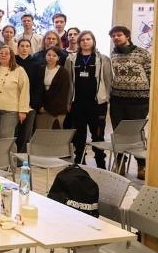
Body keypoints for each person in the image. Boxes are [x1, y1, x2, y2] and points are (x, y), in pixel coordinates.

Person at [108, 25, 151, 179]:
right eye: (113, 36)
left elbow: (151, 74)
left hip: (139, 100)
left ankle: (141, 165)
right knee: (119, 132)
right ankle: (120, 163)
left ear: (127, 36)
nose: (116, 38)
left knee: (136, 133)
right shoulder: (113, 54)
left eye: (119, 35)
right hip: (117, 99)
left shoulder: (142, 53)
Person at [65, 31, 111, 167]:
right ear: (79, 42)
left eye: (88, 39)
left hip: (97, 104)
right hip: (78, 104)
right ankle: (79, 162)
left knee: (98, 135)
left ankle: (100, 163)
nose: (85, 42)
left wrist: (106, 98)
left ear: (93, 41)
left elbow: (108, 80)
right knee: (79, 135)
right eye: (82, 40)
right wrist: (68, 101)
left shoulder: (102, 59)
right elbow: (68, 82)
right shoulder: (71, 59)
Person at [0, 45, 30, 144]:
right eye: (1, 53)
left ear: (11, 56)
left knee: (6, 137)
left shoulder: (19, 70)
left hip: (11, 110)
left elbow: (25, 91)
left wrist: (23, 110)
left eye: (6, 53)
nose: (3, 55)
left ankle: (11, 154)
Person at [15, 38, 44, 152]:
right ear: (18, 48)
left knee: (26, 133)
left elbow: (38, 87)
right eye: (22, 46)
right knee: (14, 132)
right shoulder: (13, 62)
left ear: (30, 48)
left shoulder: (36, 64)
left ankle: (22, 158)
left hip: (30, 105)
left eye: (27, 46)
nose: (24, 48)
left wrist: (32, 104)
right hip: (12, 103)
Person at [35, 47, 71, 131]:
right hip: (42, 109)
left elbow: (63, 93)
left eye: (54, 56)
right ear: (45, 56)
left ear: (58, 58)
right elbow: (37, 90)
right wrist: (39, 106)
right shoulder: (40, 69)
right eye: (49, 55)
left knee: (55, 135)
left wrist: (48, 108)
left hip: (57, 110)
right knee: (42, 134)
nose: (51, 57)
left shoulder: (63, 72)